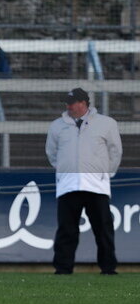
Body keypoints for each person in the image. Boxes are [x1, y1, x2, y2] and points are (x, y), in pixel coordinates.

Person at [45, 87, 122, 275]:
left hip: (97, 186)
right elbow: (52, 153)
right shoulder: (57, 126)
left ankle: (108, 268)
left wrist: (105, 174)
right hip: (68, 186)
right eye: (67, 103)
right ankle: (63, 269)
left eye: (72, 103)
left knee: (103, 230)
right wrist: (66, 170)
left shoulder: (107, 123)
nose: (68, 106)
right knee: (66, 231)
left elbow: (115, 152)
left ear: (84, 103)